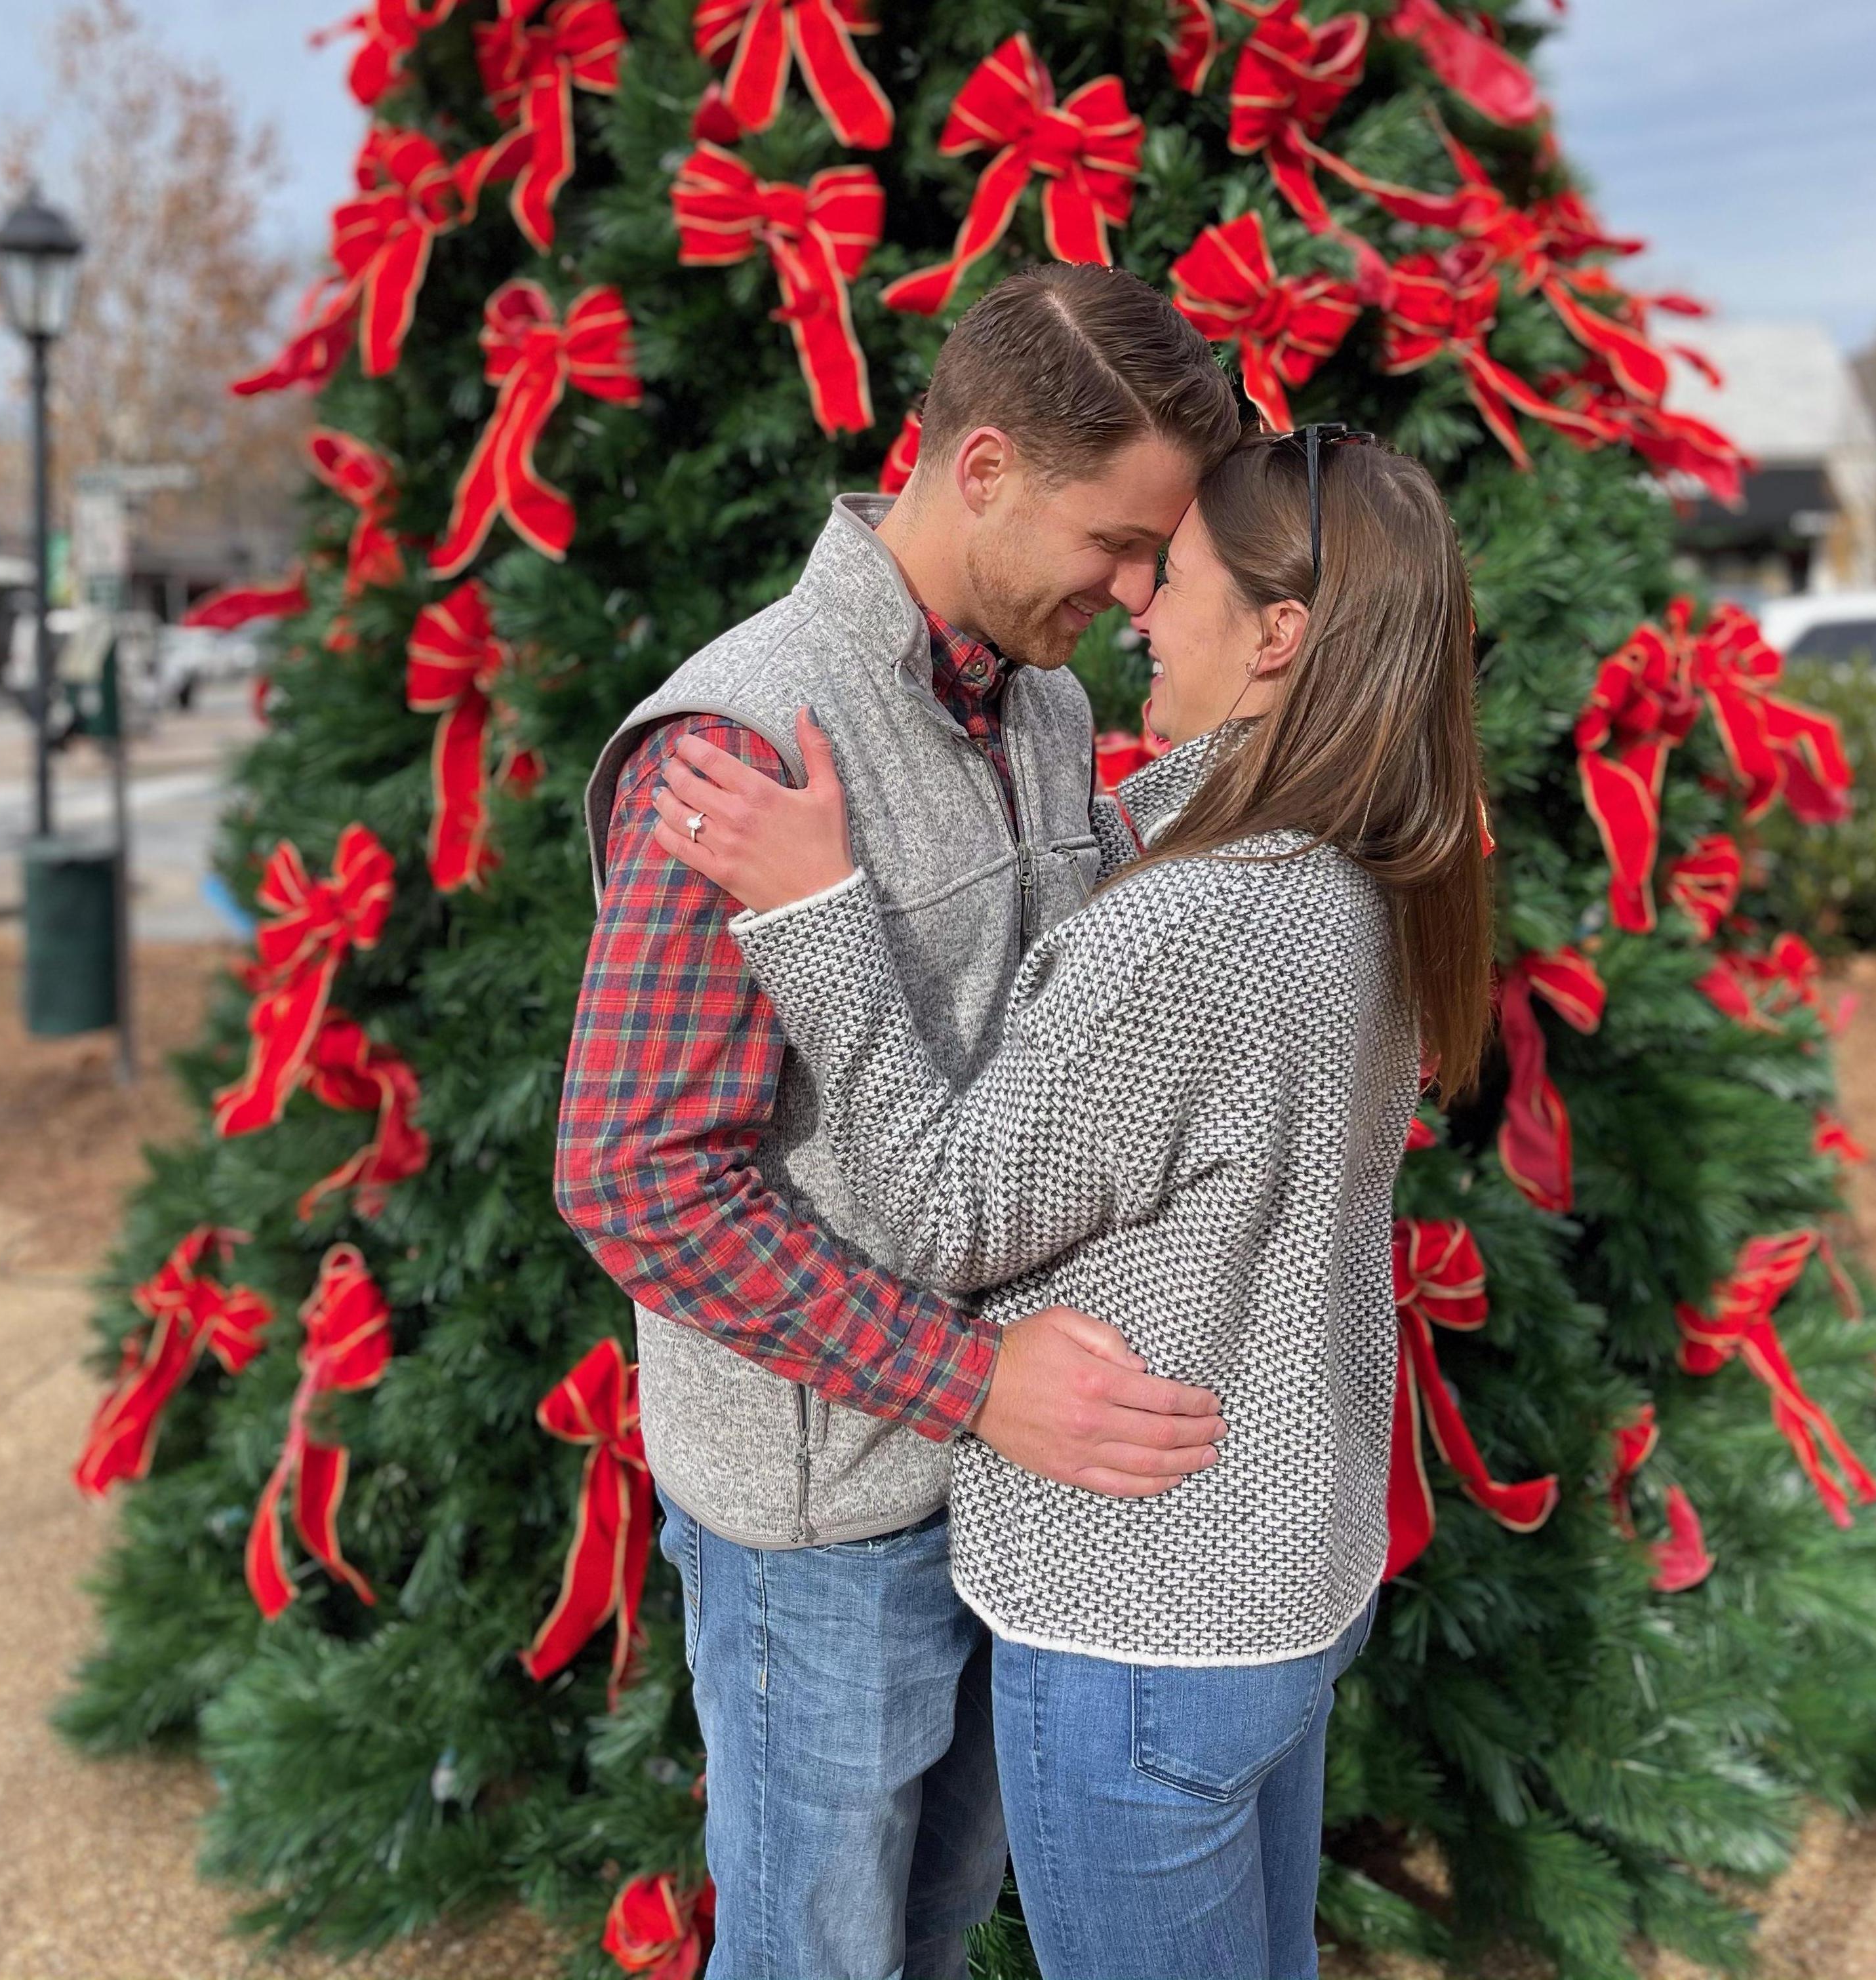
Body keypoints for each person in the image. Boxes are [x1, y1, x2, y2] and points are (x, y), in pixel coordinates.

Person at [650, 429, 1496, 1980]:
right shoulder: (1360, 862)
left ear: (1278, 634)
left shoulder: (1203, 923)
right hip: (1276, 1581)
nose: (1136, 615)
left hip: (1140, 1618)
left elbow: (945, 1210)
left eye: (1169, 580)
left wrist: (820, 913)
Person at [554, 264, 1241, 1980]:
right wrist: (973, 1381)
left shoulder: (1048, 705)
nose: (1139, 585)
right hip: (822, 1533)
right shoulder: (742, 739)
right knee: (819, 1956)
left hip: (1001, 1481)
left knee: (923, 1938)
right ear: (985, 465)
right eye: (1117, 540)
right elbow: (634, 1178)